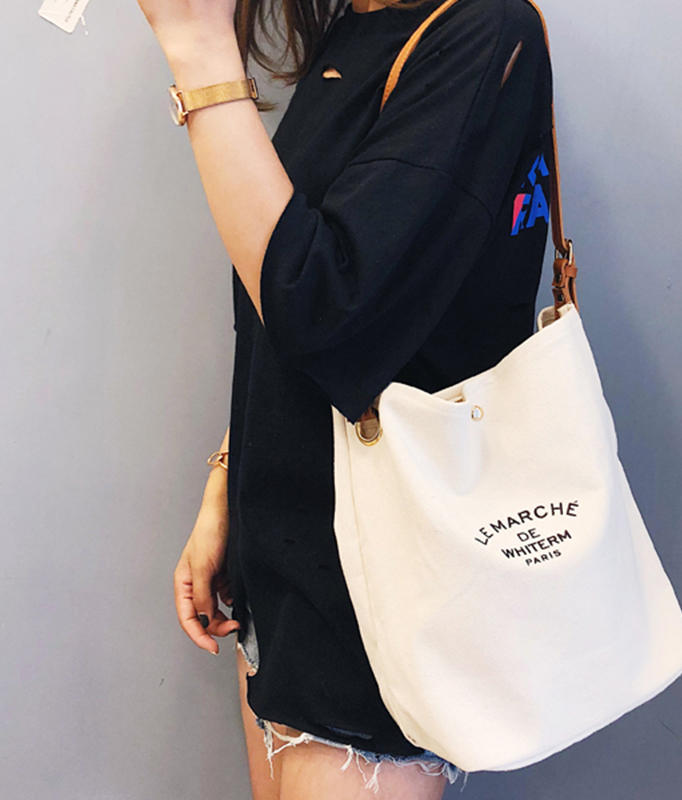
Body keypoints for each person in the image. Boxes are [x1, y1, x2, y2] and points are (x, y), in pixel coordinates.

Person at [137, 0, 554, 796]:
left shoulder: (484, 32)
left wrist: (199, 49)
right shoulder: (359, 28)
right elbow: (280, 301)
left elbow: (323, 307)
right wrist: (227, 480)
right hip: (284, 578)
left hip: (376, 609)